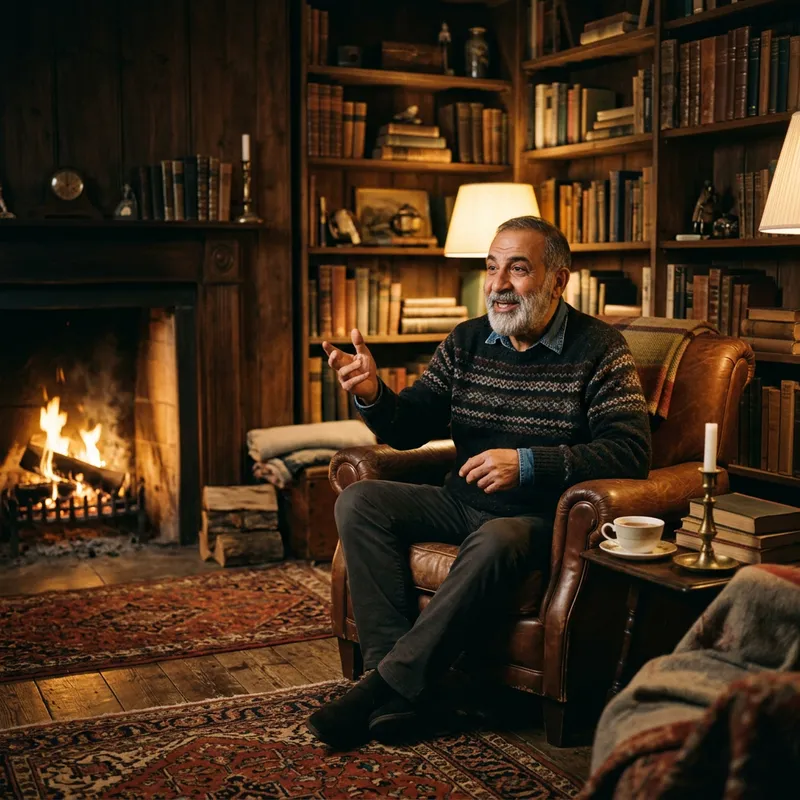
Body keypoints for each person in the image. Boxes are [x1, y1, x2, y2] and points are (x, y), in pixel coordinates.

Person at [307, 215, 652, 749]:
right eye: (492, 269)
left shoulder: (600, 349)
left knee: (498, 536)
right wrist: (373, 392)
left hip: (540, 520)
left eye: (518, 269)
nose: (498, 284)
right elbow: (410, 427)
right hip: (461, 503)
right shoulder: (468, 340)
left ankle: (380, 691)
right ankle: (397, 684)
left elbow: (630, 452)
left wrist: (528, 463)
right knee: (361, 500)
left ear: (559, 280)